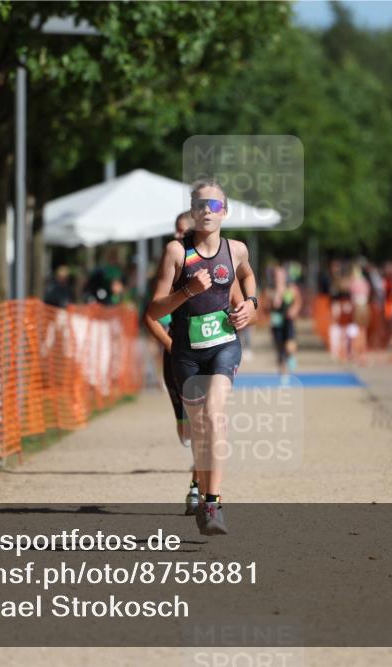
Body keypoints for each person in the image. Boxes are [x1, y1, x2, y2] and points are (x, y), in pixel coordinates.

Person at [147, 180, 258, 536]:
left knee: (214, 416)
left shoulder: (236, 249)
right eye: (201, 205)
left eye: (215, 205)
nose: (208, 211)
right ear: (193, 211)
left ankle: (213, 502)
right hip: (185, 352)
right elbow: (154, 308)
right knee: (197, 432)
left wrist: (250, 307)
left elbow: (247, 278)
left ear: (224, 211)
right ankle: (201, 494)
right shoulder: (177, 253)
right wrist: (187, 291)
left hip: (224, 345)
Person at [269, 264, 303, 376]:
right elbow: (267, 306)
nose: (279, 277)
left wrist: (294, 310)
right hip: (276, 321)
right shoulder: (271, 289)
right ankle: (281, 365)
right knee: (279, 346)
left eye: (281, 275)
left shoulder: (291, 288)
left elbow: (298, 302)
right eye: (277, 275)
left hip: (288, 321)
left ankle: (290, 357)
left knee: (289, 346)